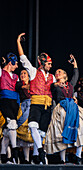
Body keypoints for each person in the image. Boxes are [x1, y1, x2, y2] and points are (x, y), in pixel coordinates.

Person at [17, 33, 56, 164]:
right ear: (43, 63)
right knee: (33, 126)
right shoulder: (34, 72)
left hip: (47, 105)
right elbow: (23, 59)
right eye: (49, 63)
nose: (50, 66)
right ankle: (40, 151)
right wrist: (18, 42)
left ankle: (37, 156)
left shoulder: (52, 77)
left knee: (41, 133)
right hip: (36, 104)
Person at [0, 53, 19, 164]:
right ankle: (14, 154)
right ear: (10, 62)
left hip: (15, 102)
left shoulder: (15, 76)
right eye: (15, 64)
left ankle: (3, 156)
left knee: (8, 130)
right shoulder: (1, 73)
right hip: (5, 100)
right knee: (12, 124)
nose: (16, 66)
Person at [15, 69, 33, 164]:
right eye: (21, 73)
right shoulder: (18, 84)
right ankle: (15, 157)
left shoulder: (33, 83)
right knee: (18, 133)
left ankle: (27, 159)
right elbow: (20, 87)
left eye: (24, 73)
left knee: (27, 135)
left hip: (31, 108)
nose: (22, 75)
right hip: (22, 108)